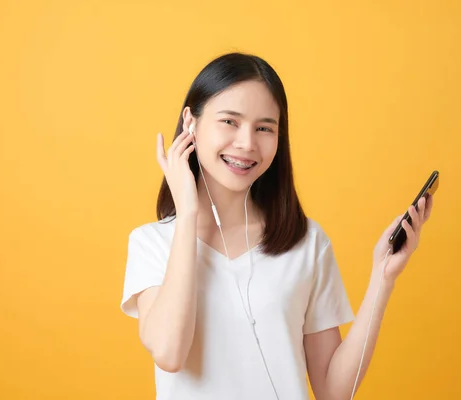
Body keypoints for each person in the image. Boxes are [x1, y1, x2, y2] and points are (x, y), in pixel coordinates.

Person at [120, 52, 434, 400]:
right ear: (190, 123)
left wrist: (383, 276)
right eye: (229, 121)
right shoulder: (152, 243)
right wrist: (188, 213)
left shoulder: (306, 242)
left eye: (264, 128)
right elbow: (169, 352)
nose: (247, 143)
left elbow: (333, 391)